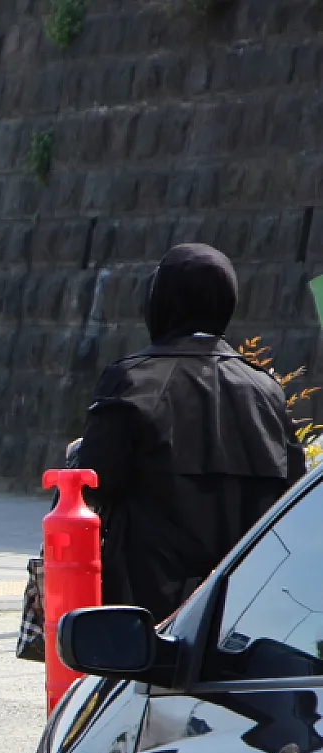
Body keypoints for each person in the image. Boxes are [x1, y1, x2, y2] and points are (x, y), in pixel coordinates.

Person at [76, 243, 307, 621]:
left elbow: (95, 482)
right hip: (242, 609)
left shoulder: (133, 380)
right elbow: (291, 494)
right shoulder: (265, 389)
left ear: (161, 300)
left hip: (144, 609)